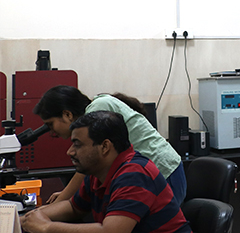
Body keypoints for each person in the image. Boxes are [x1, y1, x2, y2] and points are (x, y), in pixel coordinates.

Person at [21, 111, 200, 233]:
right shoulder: (99, 172)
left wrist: (46, 227)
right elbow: (73, 207)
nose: (70, 151)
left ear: (105, 146)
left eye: (77, 144)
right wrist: (26, 220)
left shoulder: (134, 174)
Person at [33, 86, 186, 205]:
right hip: (148, 173)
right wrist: (66, 195)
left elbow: (89, 164)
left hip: (164, 171)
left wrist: (59, 202)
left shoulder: (98, 109)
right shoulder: (95, 110)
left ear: (67, 114)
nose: (51, 131)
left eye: (50, 124)